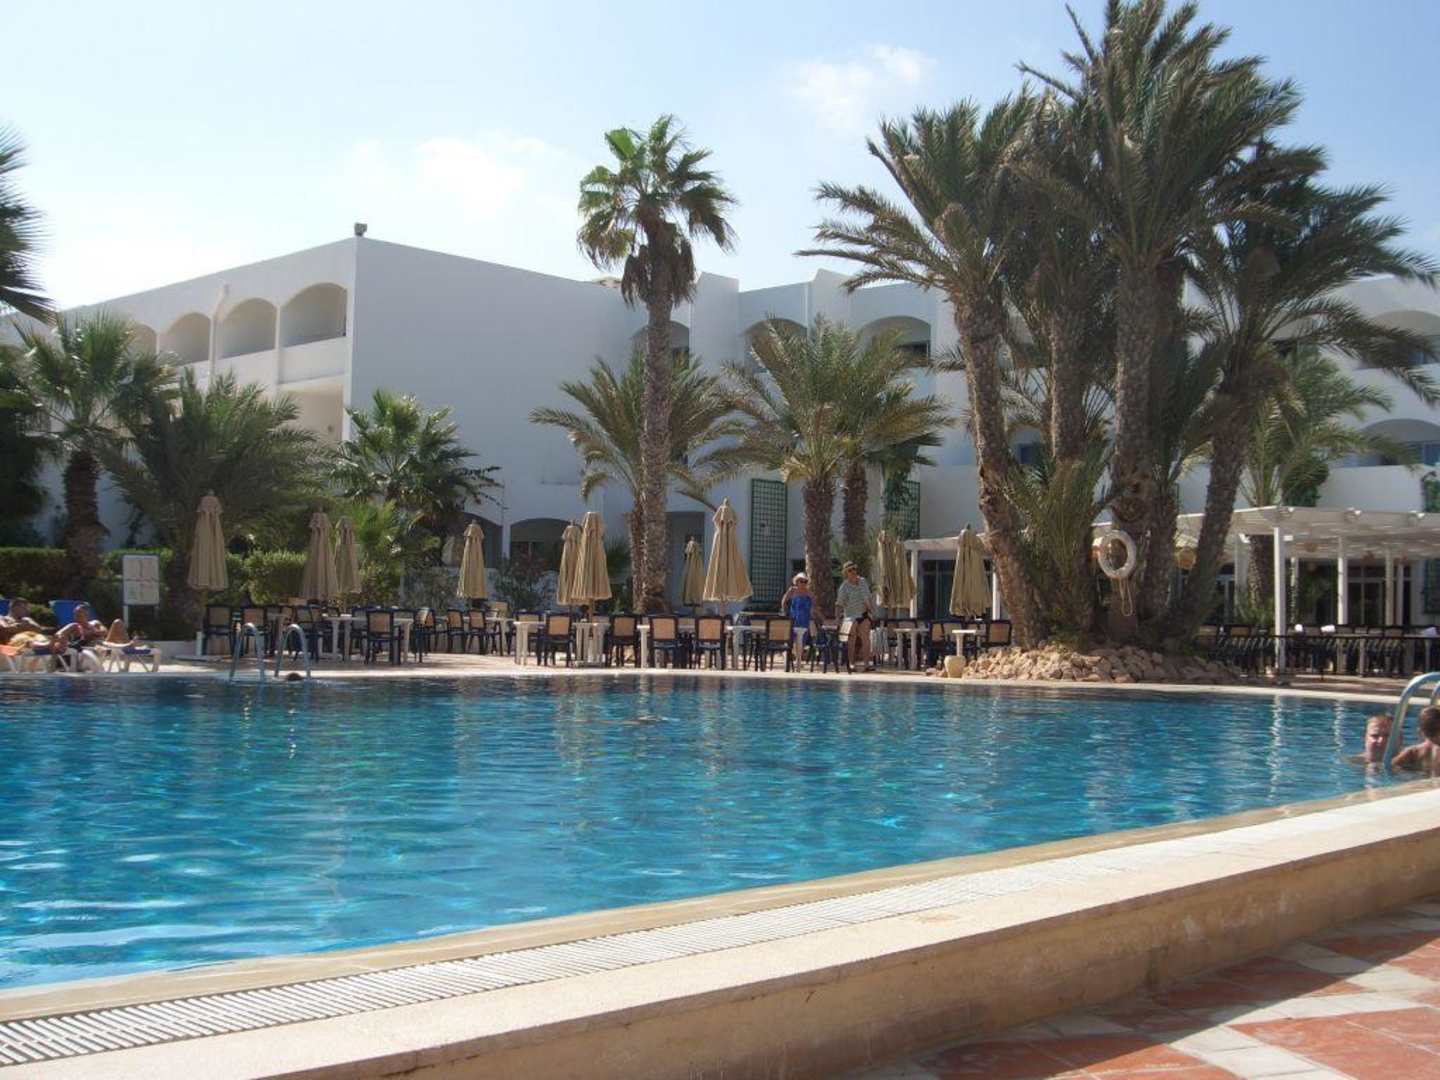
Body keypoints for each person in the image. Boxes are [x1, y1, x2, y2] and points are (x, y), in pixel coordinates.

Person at [834, 561, 874, 670]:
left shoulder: (863, 581)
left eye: (854, 569)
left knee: (866, 639)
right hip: (850, 616)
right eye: (850, 570)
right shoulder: (844, 587)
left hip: (863, 614)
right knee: (852, 639)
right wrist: (837, 619)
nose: (853, 572)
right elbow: (839, 604)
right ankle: (851, 663)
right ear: (846, 573)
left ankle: (866, 664)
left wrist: (872, 611)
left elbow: (868, 597)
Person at [779, 572, 817, 663]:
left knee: (803, 638)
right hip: (794, 618)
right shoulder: (792, 590)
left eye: (805, 581)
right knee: (791, 637)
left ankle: (798, 659)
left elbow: (814, 604)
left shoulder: (809, 592)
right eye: (801, 581)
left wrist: (812, 612)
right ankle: (788, 655)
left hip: (805, 618)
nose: (803, 583)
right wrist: (784, 610)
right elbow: (784, 601)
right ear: (796, 581)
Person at [1392, 706, 1440, 775]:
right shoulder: (1413, 752)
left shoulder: (1413, 752)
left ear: (1420, 732)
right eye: (1432, 732)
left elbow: (1389, 768)